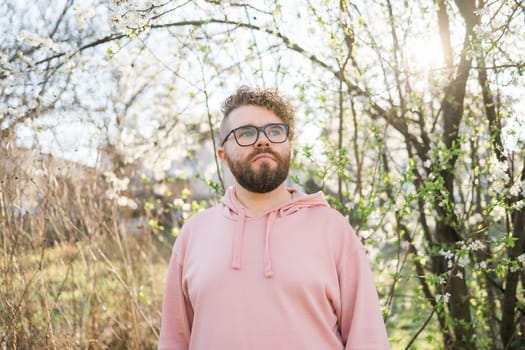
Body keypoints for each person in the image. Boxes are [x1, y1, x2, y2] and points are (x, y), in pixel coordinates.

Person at [158, 86, 390, 350]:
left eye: (275, 131)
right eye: (246, 132)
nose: (263, 140)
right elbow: (174, 341)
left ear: (289, 146)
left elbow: (368, 339)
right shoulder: (194, 234)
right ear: (222, 155)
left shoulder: (333, 229)